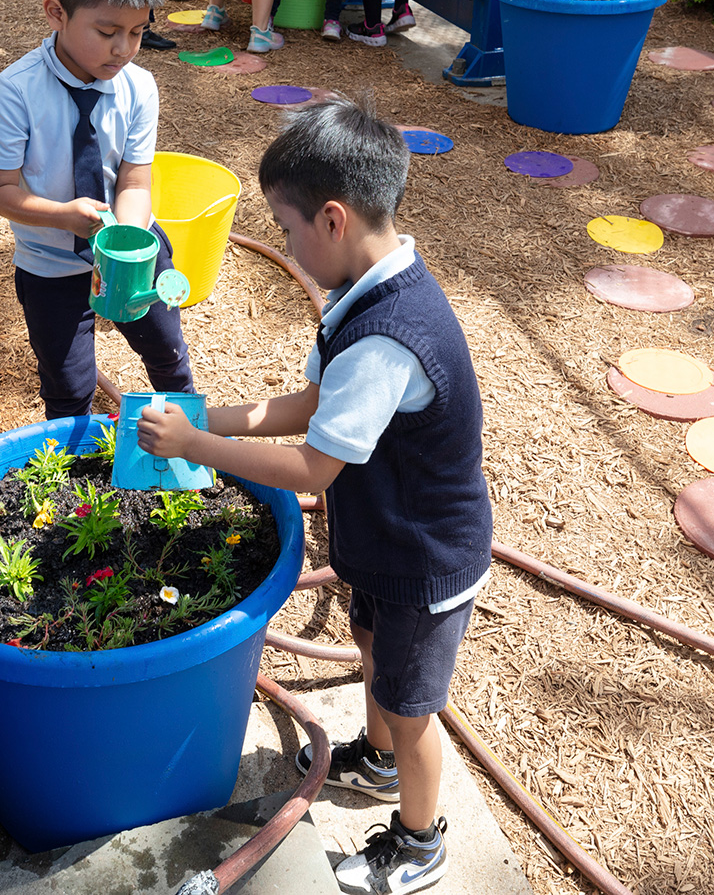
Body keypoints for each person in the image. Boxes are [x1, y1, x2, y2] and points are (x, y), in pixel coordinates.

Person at [137, 97, 491, 895]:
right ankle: (375, 761)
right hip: (387, 542)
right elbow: (307, 405)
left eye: (287, 229)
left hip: (424, 558)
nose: (287, 248)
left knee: (412, 708)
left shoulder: (388, 338)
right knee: (370, 651)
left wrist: (197, 447)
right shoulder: (362, 291)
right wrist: (201, 417)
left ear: (332, 219)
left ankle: (419, 838)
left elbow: (311, 468)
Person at [0, 0, 196, 420]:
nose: (124, 48)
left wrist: (126, 243)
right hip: (50, 264)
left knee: (167, 355)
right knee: (68, 385)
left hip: (134, 254)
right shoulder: (16, 91)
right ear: (56, 12)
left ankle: (187, 442)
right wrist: (63, 216)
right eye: (107, 32)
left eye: (139, 32)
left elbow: (136, 182)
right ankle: (76, 482)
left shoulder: (139, 88)